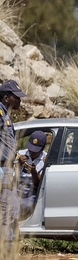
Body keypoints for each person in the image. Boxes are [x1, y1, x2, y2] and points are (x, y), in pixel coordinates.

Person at [0, 80, 25, 245]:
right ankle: (7, 256)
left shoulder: (5, 115)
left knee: (11, 210)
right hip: (2, 170)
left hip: (7, 170)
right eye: (17, 97)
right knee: (7, 211)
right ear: (7, 98)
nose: (20, 101)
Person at [16, 130, 48, 218]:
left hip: (31, 192)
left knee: (25, 206)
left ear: (42, 148)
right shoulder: (20, 154)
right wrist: (18, 164)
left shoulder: (45, 159)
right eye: (30, 148)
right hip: (17, 189)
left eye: (35, 150)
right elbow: (10, 175)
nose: (31, 152)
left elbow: (38, 184)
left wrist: (34, 172)